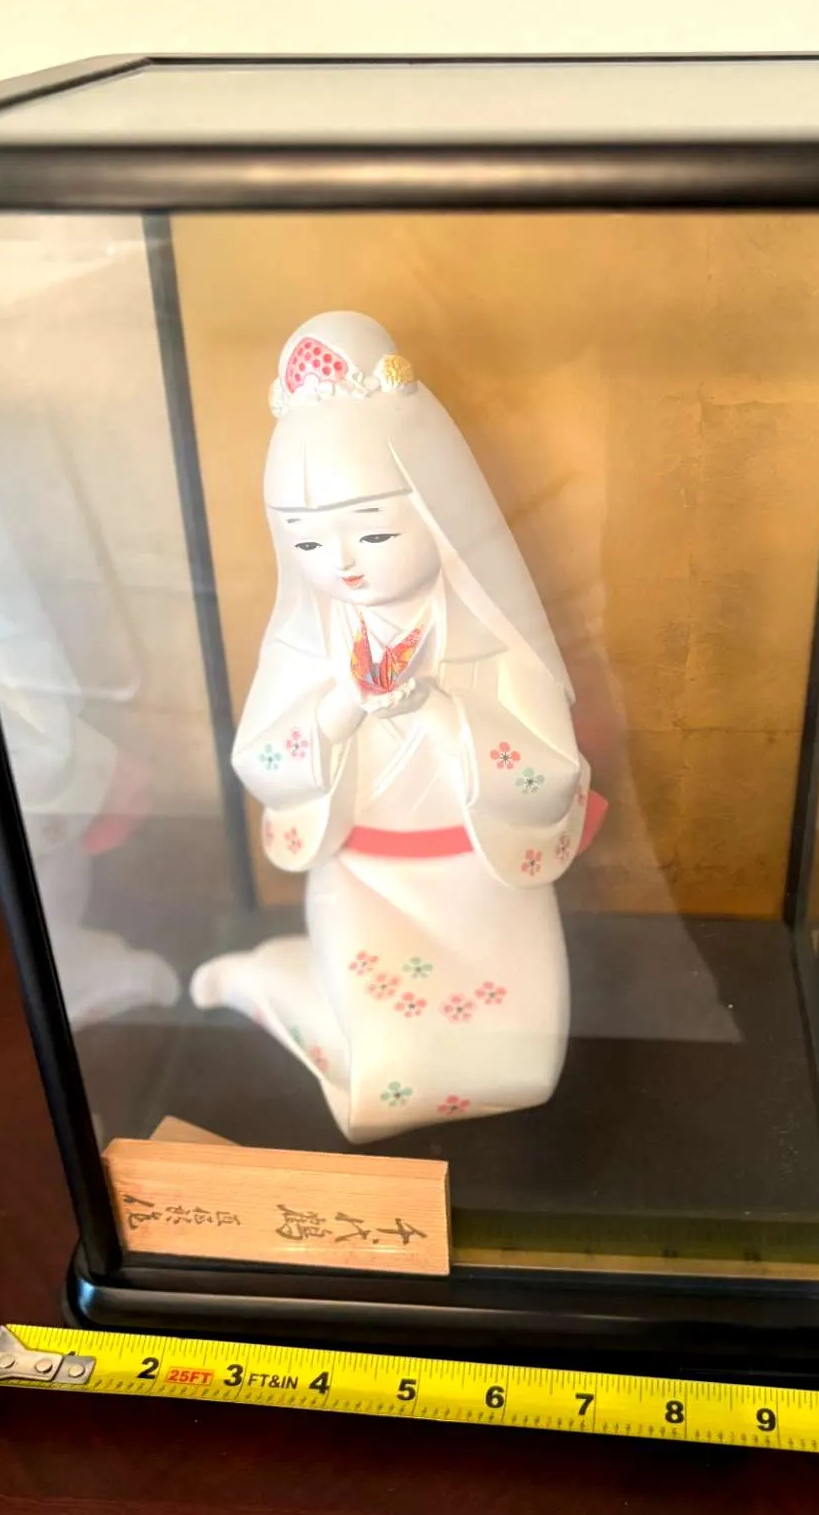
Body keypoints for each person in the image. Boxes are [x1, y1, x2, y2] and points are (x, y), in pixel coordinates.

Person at [191, 312, 602, 1141]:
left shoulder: (493, 637)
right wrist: (338, 709)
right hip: (366, 880)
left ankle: (284, 982)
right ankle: (273, 983)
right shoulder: (308, 642)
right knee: (389, 1077)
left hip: (485, 884)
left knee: (522, 1070)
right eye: (308, 542)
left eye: (374, 530)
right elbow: (260, 760)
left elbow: (551, 772)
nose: (342, 563)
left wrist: (441, 712)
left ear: (441, 513)